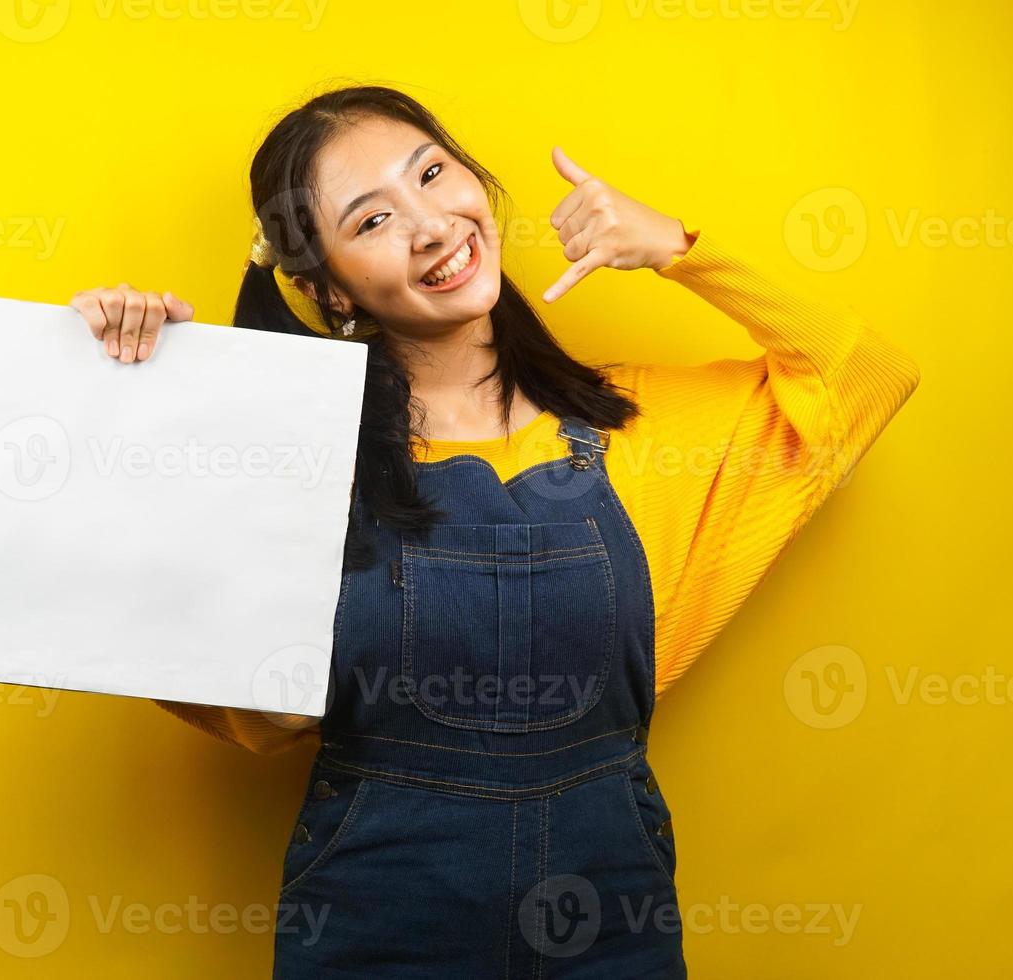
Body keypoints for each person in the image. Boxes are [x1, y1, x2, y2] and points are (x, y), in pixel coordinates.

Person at [68, 83, 919, 979]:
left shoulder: (640, 431)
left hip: (610, 931)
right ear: (325, 287)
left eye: (434, 173)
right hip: (374, 928)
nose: (433, 225)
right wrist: (129, 402)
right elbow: (243, 703)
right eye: (372, 221)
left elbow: (865, 374)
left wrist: (675, 248)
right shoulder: (301, 466)